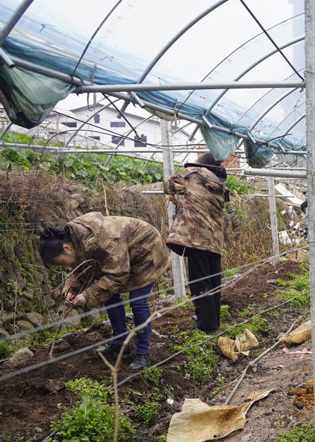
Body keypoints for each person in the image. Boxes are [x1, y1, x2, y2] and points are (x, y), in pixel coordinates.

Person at [38, 213, 170, 370]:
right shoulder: (76, 239)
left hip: (147, 250)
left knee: (138, 302)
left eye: (61, 263)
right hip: (121, 257)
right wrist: (70, 290)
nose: (65, 267)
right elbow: (80, 268)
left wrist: (87, 295)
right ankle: (120, 344)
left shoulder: (104, 241)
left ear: (66, 248)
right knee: (109, 296)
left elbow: (118, 275)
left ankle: (143, 352)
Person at [164, 152, 232, 334]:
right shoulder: (218, 184)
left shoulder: (192, 174)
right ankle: (213, 319)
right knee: (213, 280)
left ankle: (206, 324)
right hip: (214, 239)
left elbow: (169, 184)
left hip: (195, 237)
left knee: (199, 281)